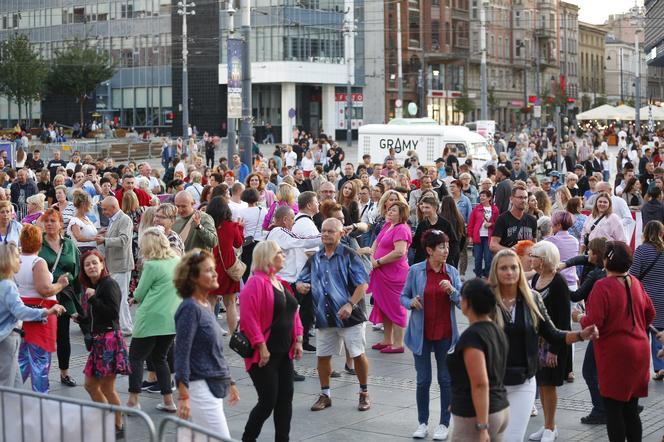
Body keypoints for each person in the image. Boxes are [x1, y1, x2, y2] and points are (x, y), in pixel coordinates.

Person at [489, 249, 598, 441]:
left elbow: (554, 332)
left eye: (514, 267)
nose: (509, 272)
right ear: (495, 271)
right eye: (503, 268)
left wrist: (581, 335)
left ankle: (549, 427)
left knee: (513, 437)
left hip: (524, 381)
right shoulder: (487, 301)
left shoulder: (532, 299)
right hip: (494, 382)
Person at [579, 241, 655, 442]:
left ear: (606, 260)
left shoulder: (602, 286)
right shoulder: (636, 283)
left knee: (613, 410)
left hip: (615, 353)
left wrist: (578, 318)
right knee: (630, 408)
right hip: (639, 349)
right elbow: (650, 314)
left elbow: (593, 323)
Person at [297, 218, 372, 412]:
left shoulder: (349, 255)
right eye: (323, 231)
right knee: (322, 357)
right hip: (325, 316)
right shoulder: (315, 258)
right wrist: (301, 286)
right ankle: (325, 395)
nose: (326, 234)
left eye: (331, 231)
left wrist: (350, 304)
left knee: (357, 354)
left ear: (341, 234)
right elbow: (301, 279)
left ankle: (364, 393)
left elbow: (363, 284)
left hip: (350, 316)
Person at [239, 240, 304, 442]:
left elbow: (293, 314)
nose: (283, 255)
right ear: (268, 257)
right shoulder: (255, 282)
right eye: (279, 252)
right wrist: (261, 345)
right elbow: (248, 318)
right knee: (268, 401)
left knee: (285, 399)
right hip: (264, 355)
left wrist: (299, 339)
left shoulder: (280, 282)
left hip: (284, 352)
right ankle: (248, 439)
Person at [400, 230, 461, 440]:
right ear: (429, 250)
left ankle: (444, 423)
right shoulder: (416, 270)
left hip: (445, 334)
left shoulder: (451, 272)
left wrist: (452, 291)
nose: (446, 250)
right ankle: (422, 422)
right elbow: (403, 296)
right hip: (421, 334)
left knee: (445, 380)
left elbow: (463, 303)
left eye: (447, 246)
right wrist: (411, 302)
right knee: (423, 381)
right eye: (441, 247)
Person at [173, 249, 240, 437]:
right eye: (209, 270)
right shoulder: (190, 308)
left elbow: (215, 351)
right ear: (193, 278)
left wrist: (229, 380)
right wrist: (184, 396)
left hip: (210, 386)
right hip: (199, 389)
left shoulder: (205, 305)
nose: (215, 273)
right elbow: (181, 354)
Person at [446, 278, 510, 441]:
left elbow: (480, 383)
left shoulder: (473, 337)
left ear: (468, 303)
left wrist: (482, 427)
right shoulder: (496, 330)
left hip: (476, 416)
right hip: (499, 407)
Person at [126, 227, 180, 412]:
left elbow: (140, 293)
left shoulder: (151, 265)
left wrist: (134, 296)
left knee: (136, 358)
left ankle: (133, 400)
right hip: (171, 319)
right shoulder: (176, 261)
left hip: (150, 318)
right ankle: (168, 401)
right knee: (160, 358)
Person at [79, 250, 130, 438]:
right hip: (98, 341)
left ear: (102, 264)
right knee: (90, 385)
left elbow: (113, 314)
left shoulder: (109, 285)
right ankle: (109, 415)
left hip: (109, 341)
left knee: (107, 388)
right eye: (87, 264)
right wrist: (82, 318)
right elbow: (95, 316)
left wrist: (93, 299)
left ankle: (118, 423)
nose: (91, 266)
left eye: (95, 263)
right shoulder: (94, 286)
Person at [0, 242, 65, 387]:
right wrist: (46, 312)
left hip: (8, 337)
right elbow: (20, 311)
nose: (21, 260)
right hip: (7, 338)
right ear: (8, 260)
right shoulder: (8, 285)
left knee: (15, 383)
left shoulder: (5, 283)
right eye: (17, 257)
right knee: (7, 385)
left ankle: (16, 408)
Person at [16, 224, 71, 393]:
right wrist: (60, 284)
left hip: (22, 313)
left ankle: (9, 392)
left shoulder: (16, 259)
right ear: (39, 243)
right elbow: (44, 290)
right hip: (41, 315)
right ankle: (40, 400)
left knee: (23, 357)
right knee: (40, 360)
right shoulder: (37, 262)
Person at [528, 241, 571, 442]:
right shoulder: (537, 277)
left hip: (552, 343)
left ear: (544, 260)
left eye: (534, 255)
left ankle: (550, 427)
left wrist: (554, 349)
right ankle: (548, 426)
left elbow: (563, 320)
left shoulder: (558, 282)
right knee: (542, 383)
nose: (530, 258)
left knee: (549, 385)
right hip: (537, 341)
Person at [38, 209, 83, 387]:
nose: (49, 224)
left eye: (53, 221)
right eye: (46, 221)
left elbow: (76, 270)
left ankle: (64, 373)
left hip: (65, 295)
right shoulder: (38, 242)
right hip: (44, 295)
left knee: (63, 336)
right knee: (44, 337)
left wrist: (77, 302)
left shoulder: (69, 244)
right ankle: (42, 374)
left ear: (60, 224)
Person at [368, 200, 412, 353]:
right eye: (389, 209)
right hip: (381, 272)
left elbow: (399, 252)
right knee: (383, 305)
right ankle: (387, 339)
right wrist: (372, 258)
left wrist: (378, 262)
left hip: (394, 274)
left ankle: (398, 343)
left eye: (394, 210)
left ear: (401, 214)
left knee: (395, 307)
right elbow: (376, 243)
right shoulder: (388, 225)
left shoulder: (402, 229)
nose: (389, 211)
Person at [629, 221, 664, 380]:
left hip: (644, 297)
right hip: (662, 297)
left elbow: (633, 275)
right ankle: (660, 367)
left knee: (642, 334)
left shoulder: (641, 250)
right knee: (660, 333)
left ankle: (642, 369)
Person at [96, 197, 134, 336]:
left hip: (121, 264)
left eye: (105, 209)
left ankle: (125, 328)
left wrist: (105, 240)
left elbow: (124, 240)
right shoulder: (113, 220)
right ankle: (124, 325)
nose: (104, 212)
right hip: (114, 264)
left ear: (113, 207)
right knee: (117, 297)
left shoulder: (124, 219)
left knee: (121, 297)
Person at [207, 197, 244, 332]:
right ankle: (233, 333)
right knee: (230, 303)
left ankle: (209, 332)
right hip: (228, 267)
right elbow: (238, 243)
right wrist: (240, 228)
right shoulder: (232, 226)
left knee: (210, 301)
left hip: (211, 266)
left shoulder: (208, 226)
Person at [411, 195, 459, 265]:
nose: (424, 210)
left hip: (441, 263)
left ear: (435, 208)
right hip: (424, 263)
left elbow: (454, 243)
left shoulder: (445, 224)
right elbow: (416, 243)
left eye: (427, 207)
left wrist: (447, 259)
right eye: (423, 207)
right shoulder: (422, 225)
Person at [490, 186, 537, 253]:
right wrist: (510, 251)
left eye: (525, 198)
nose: (523, 200)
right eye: (520, 197)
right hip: (509, 260)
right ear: (511, 199)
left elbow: (534, 244)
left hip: (526, 261)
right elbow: (493, 245)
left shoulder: (532, 220)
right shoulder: (502, 219)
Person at [544, 211, 579, 290]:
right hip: (573, 283)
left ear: (559, 225)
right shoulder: (575, 240)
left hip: (557, 283)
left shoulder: (551, 240)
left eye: (552, 223)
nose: (551, 225)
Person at [468, 190, 499, 278]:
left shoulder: (495, 209)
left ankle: (487, 275)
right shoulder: (476, 209)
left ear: (489, 198)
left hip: (489, 238)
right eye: (480, 196)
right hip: (478, 237)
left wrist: (491, 224)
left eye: (484, 196)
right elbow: (471, 223)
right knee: (477, 258)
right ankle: (478, 275)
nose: (481, 197)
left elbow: (498, 223)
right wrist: (470, 236)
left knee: (488, 258)